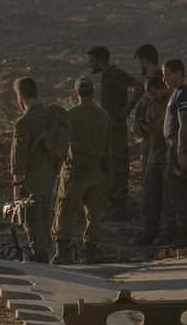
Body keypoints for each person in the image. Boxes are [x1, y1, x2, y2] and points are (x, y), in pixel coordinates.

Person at [8, 76, 69, 262]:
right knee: (44, 214)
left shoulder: (24, 122)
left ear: (20, 96)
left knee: (32, 218)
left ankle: (40, 255)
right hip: (51, 174)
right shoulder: (51, 115)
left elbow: (19, 157)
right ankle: (45, 250)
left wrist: (17, 183)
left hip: (32, 177)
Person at [52, 79, 112, 264]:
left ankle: (62, 252)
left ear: (75, 92)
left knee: (65, 211)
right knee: (93, 214)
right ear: (93, 92)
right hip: (96, 173)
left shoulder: (69, 115)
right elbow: (108, 145)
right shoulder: (103, 115)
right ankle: (90, 252)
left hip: (74, 172)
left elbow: (60, 146)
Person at [88, 46, 138, 216]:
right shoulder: (106, 76)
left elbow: (139, 86)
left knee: (118, 164)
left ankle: (119, 204)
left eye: (92, 61)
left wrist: (129, 108)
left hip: (117, 127)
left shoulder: (117, 75)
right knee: (108, 163)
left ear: (101, 60)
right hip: (108, 128)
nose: (90, 65)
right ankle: (113, 202)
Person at [157, 58, 187, 251]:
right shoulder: (176, 94)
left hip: (178, 146)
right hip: (172, 146)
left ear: (178, 73)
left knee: (180, 191)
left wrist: (181, 150)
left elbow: (185, 124)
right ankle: (177, 230)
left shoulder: (183, 95)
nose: (165, 79)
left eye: (167, 74)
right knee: (172, 192)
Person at [131, 72, 172, 246]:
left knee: (168, 195)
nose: (153, 97)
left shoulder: (172, 101)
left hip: (168, 152)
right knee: (150, 192)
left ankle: (170, 231)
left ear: (163, 88)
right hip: (153, 151)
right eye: (151, 95)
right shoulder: (150, 103)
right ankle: (151, 230)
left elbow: (166, 125)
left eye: (155, 93)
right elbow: (143, 127)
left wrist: (157, 127)